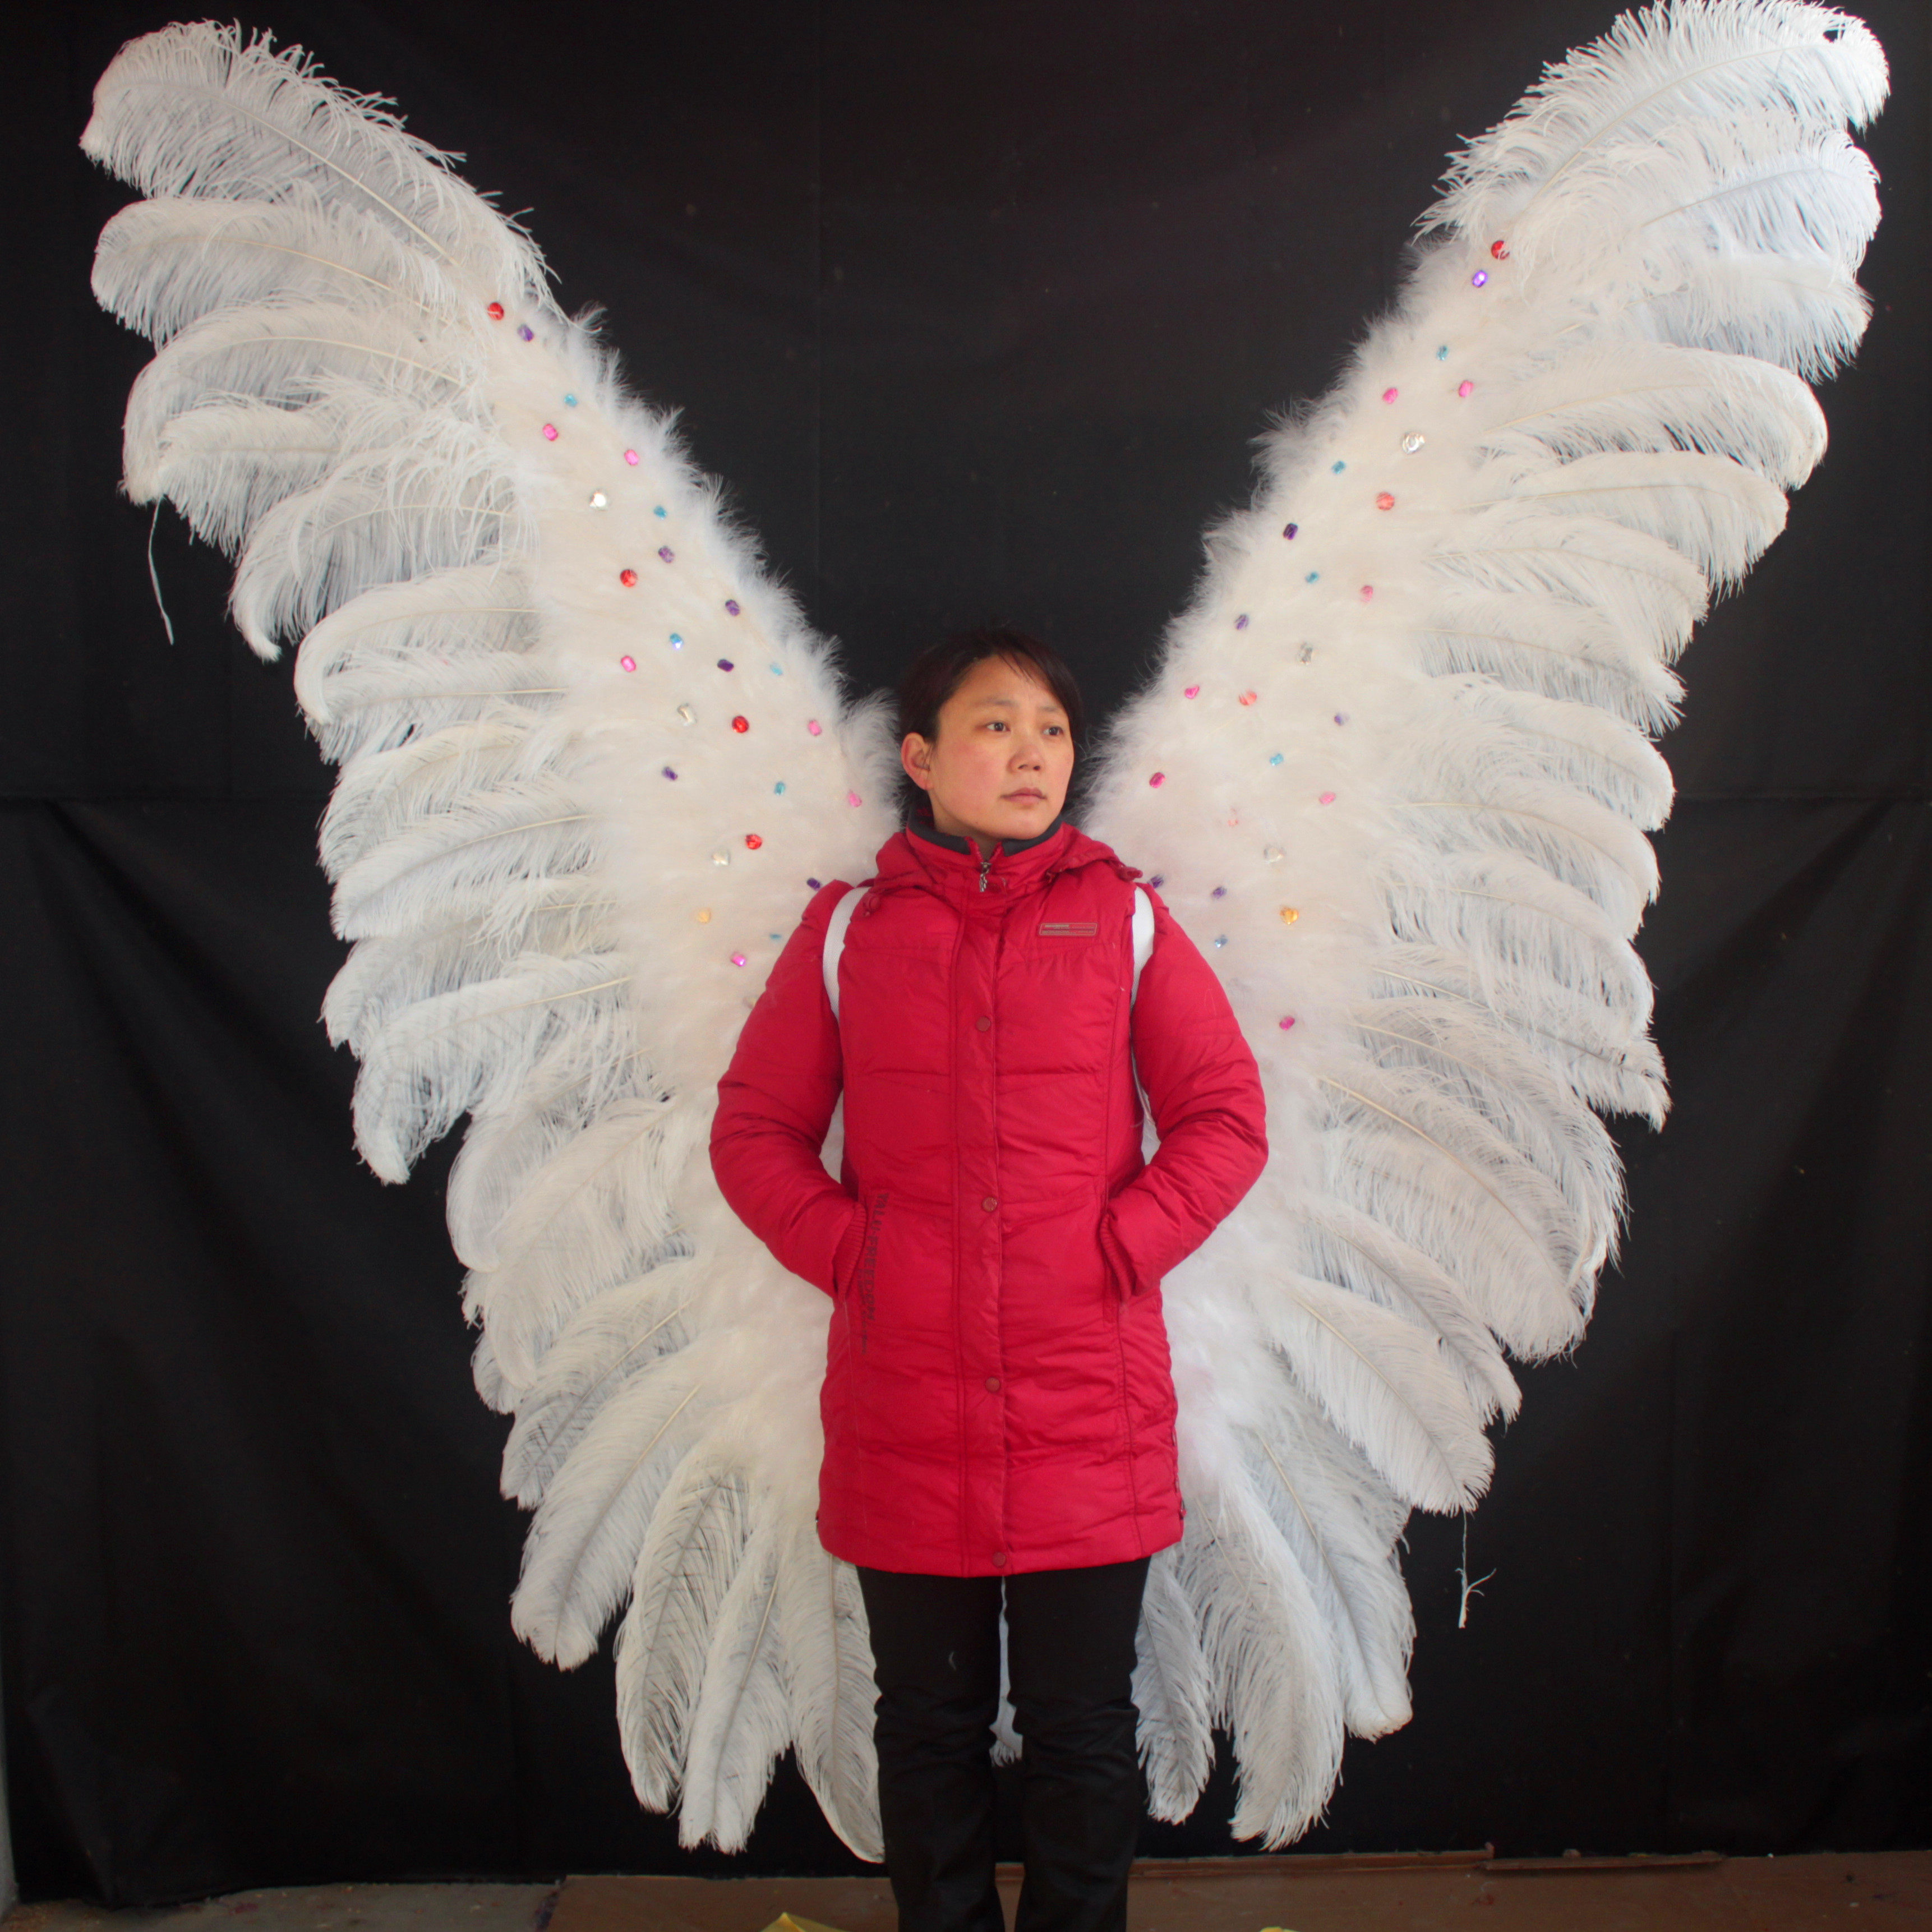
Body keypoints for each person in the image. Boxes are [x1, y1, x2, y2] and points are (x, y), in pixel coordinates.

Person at [709, 629, 1268, 1932]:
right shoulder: (851, 930)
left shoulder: (1124, 919)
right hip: (905, 1408)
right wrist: (857, 1255)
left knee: (1083, 1728)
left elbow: (1226, 1117)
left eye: (1051, 730)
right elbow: (753, 1133)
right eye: (995, 725)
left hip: (1088, 1407)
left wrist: (1118, 1247)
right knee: (927, 1726)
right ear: (920, 758)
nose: (1030, 753)